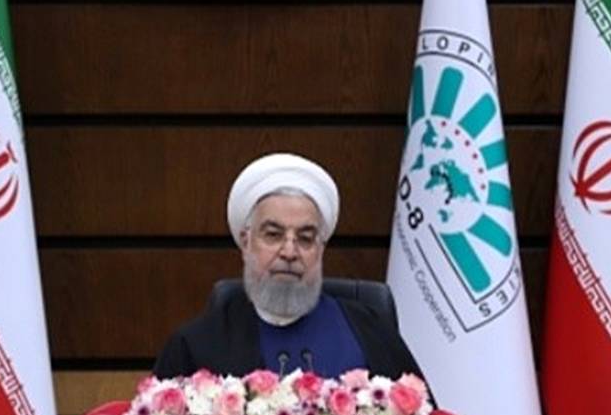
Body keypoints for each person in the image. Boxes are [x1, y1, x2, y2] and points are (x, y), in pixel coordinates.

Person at [153, 153, 424, 381]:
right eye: (273, 235)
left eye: (305, 238)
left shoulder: (371, 331)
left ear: (321, 249)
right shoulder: (196, 345)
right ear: (246, 242)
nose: (290, 252)